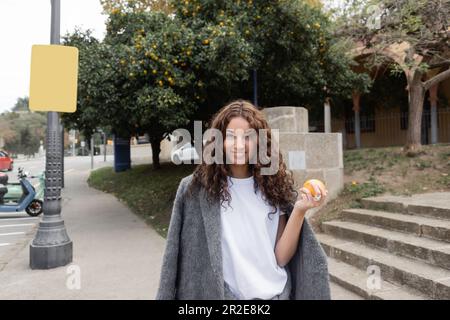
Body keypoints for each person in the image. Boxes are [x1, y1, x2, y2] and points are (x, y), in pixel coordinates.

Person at [156, 99, 330, 300]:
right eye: (230, 136)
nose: (239, 145)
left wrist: (299, 210)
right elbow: (172, 259)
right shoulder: (194, 190)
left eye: (248, 136)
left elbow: (280, 257)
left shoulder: (275, 187)